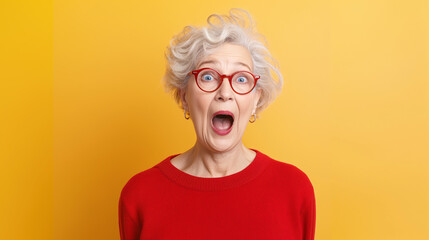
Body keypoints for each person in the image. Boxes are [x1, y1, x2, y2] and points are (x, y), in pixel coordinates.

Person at [119, 8, 316, 240]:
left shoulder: (294, 189)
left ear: (255, 99)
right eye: (208, 76)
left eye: (241, 79)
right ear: (184, 98)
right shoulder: (140, 194)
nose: (225, 93)